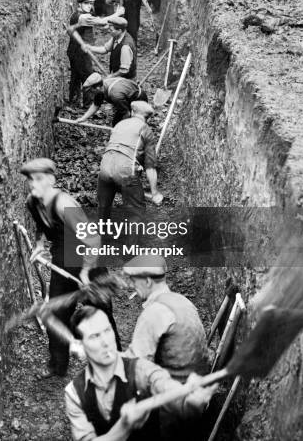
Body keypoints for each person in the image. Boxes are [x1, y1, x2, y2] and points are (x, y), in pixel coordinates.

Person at [65, 306, 216, 441]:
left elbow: (166, 387)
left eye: (107, 330)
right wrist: (123, 428)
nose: (106, 342)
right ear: (79, 346)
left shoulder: (142, 370)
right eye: (95, 336)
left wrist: (191, 402)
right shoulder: (74, 393)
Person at [21, 158, 98, 378]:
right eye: (30, 180)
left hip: (86, 258)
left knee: (100, 309)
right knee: (55, 313)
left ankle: (117, 359)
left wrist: (85, 273)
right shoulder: (32, 202)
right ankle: (57, 365)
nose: (32, 184)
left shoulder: (65, 204)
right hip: (62, 257)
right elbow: (39, 225)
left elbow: (93, 239)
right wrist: (38, 244)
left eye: (38, 179)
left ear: (51, 181)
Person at [123, 255, 208, 380]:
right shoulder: (184, 301)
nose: (132, 285)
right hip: (198, 388)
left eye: (134, 281)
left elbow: (136, 366)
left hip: (171, 393)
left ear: (147, 281)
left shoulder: (153, 313)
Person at [97, 102, 163, 243]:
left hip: (104, 167)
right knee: (136, 211)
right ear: (148, 118)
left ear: (133, 112)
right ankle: (129, 251)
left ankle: (102, 240)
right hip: (125, 172)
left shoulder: (119, 125)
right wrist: (155, 192)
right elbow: (150, 166)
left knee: (104, 206)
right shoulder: (146, 130)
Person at [67, 0, 124, 107]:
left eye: (91, 3)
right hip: (81, 51)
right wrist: (118, 13)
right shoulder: (83, 17)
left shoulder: (77, 15)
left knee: (76, 76)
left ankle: (73, 101)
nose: (89, 6)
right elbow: (102, 21)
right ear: (80, 4)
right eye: (86, 3)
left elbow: (98, 23)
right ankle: (88, 105)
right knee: (89, 76)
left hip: (74, 50)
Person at [77, 72, 148, 127]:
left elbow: (126, 113)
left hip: (139, 100)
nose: (91, 94)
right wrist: (83, 118)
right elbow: (96, 105)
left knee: (134, 125)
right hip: (126, 98)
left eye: (91, 91)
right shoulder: (100, 89)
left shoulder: (115, 95)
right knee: (115, 123)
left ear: (97, 87)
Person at [81, 16, 137, 81]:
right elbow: (105, 49)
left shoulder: (125, 47)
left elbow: (124, 70)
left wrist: (111, 76)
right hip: (118, 78)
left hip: (126, 81)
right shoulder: (116, 36)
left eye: (111, 30)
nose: (109, 31)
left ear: (119, 30)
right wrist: (90, 48)